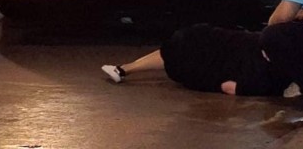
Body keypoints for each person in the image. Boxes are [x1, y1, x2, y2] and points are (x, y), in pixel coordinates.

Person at [100, 22, 289, 97]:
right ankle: (123, 69)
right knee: (182, 50)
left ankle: (124, 69)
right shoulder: (272, 80)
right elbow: (229, 87)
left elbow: (229, 87)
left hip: (207, 49)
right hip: (208, 58)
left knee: (182, 48)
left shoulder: (266, 44)